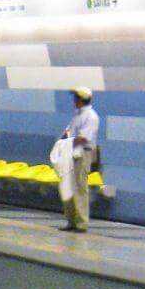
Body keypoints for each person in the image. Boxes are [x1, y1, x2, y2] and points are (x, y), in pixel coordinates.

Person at [58, 87, 100, 232]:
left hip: (82, 155)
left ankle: (81, 223)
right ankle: (71, 221)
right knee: (68, 188)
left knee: (80, 189)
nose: (74, 101)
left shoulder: (91, 116)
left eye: (75, 98)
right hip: (71, 154)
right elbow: (69, 132)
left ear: (81, 99)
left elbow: (83, 138)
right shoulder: (77, 115)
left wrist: (65, 143)